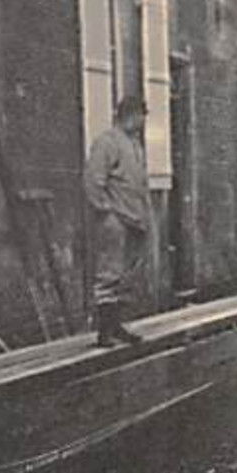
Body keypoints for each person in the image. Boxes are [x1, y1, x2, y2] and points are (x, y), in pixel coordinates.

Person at [83, 95, 150, 347]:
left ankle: (116, 326)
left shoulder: (133, 144)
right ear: (131, 115)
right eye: (141, 116)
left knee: (126, 277)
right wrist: (106, 211)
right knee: (109, 274)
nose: (143, 122)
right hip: (115, 220)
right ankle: (104, 332)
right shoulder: (107, 142)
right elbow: (93, 180)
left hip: (133, 219)